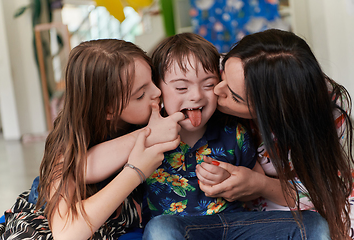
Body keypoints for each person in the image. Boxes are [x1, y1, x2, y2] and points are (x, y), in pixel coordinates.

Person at [143, 29, 352, 240]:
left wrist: (254, 183)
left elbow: (320, 190)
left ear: (270, 110)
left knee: (316, 225)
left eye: (210, 84)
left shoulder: (237, 133)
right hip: (182, 226)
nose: (213, 92)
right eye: (221, 76)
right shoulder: (202, 65)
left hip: (257, 215)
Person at [0, 39, 185, 240]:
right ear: (108, 109)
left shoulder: (153, 118)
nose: (157, 92)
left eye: (154, 80)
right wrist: (137, 167)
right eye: (140, 94)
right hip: (47, 226)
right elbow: (67, 233)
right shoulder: (70, 139)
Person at [145, 32, 262, 218]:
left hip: (230, 226)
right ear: (157, 90)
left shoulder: (234, 133)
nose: (197, 96)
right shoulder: (145, 137)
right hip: (171, 230)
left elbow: (256, 190)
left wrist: (230, 182)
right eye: (182, 88)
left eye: (208, 85)